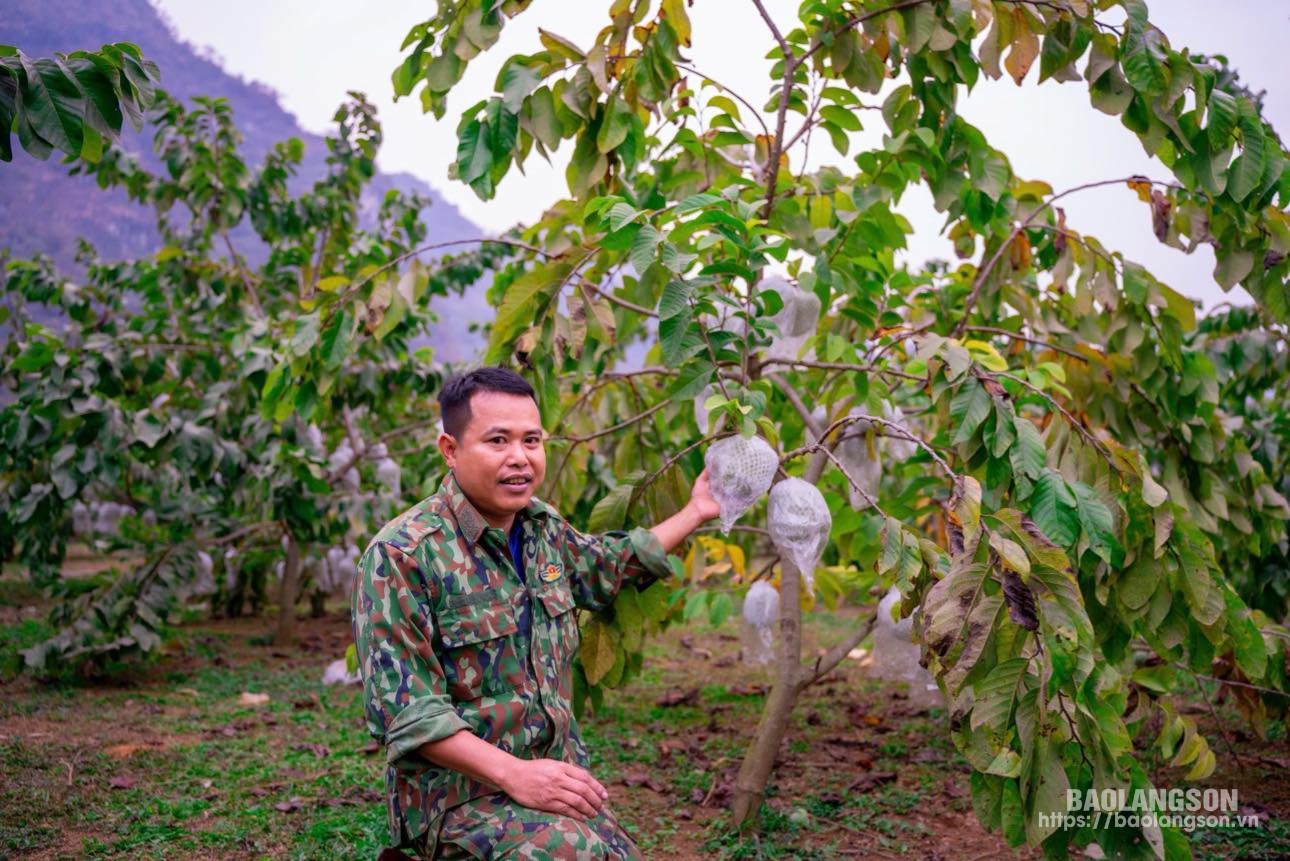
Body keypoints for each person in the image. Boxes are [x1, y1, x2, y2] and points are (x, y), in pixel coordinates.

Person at [351, 367, 721, 859]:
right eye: (498, 440)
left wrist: (696, 510)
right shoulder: (403, 555)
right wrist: (517, 775)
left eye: (532, 440)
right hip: (457, 798)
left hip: (550, 777)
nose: (519, 459)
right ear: (450, 449)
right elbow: (408, 714)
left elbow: (603, 567)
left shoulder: (541, 529)